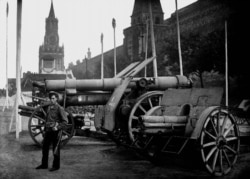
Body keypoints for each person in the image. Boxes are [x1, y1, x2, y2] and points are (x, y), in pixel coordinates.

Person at [36, 91, 68, 171]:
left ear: (56, 99)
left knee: (55, 149)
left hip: (55, 132)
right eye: (51, 98)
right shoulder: (49, 108)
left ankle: (56, 166)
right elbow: (47, 120)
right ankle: (44, 165)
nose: (52, 100)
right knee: (45, 147)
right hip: (48, 131)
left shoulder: (59, 108)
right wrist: (44, 130)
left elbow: (65, 121)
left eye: (53, 98)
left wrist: (58, 128)